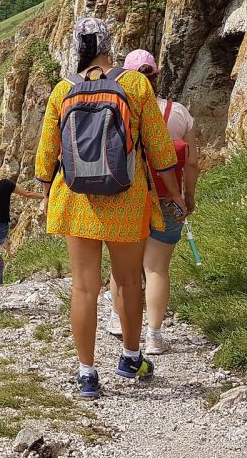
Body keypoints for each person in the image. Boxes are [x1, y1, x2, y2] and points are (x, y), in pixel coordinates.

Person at [35, 18, 185, 399]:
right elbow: (160, 149)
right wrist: (174, 194)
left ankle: (87, 374)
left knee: (84, 287)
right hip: (126, 199)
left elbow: (45, 159)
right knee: (129, 281)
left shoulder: (62, 91)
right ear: (108, 46)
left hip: (77, 201)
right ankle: (131, 358)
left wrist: (47, 192)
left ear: (78, 48)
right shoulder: (134, 85)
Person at [105, 49, 199, 354]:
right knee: (156, 268)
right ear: (156, 77)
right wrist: (187, 196)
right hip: (168, 199)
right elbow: (192, 162)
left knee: (123, 266)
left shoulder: (118, 110)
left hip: (128, 198)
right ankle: (154, 335)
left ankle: (118, 320)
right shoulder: (178, 113)